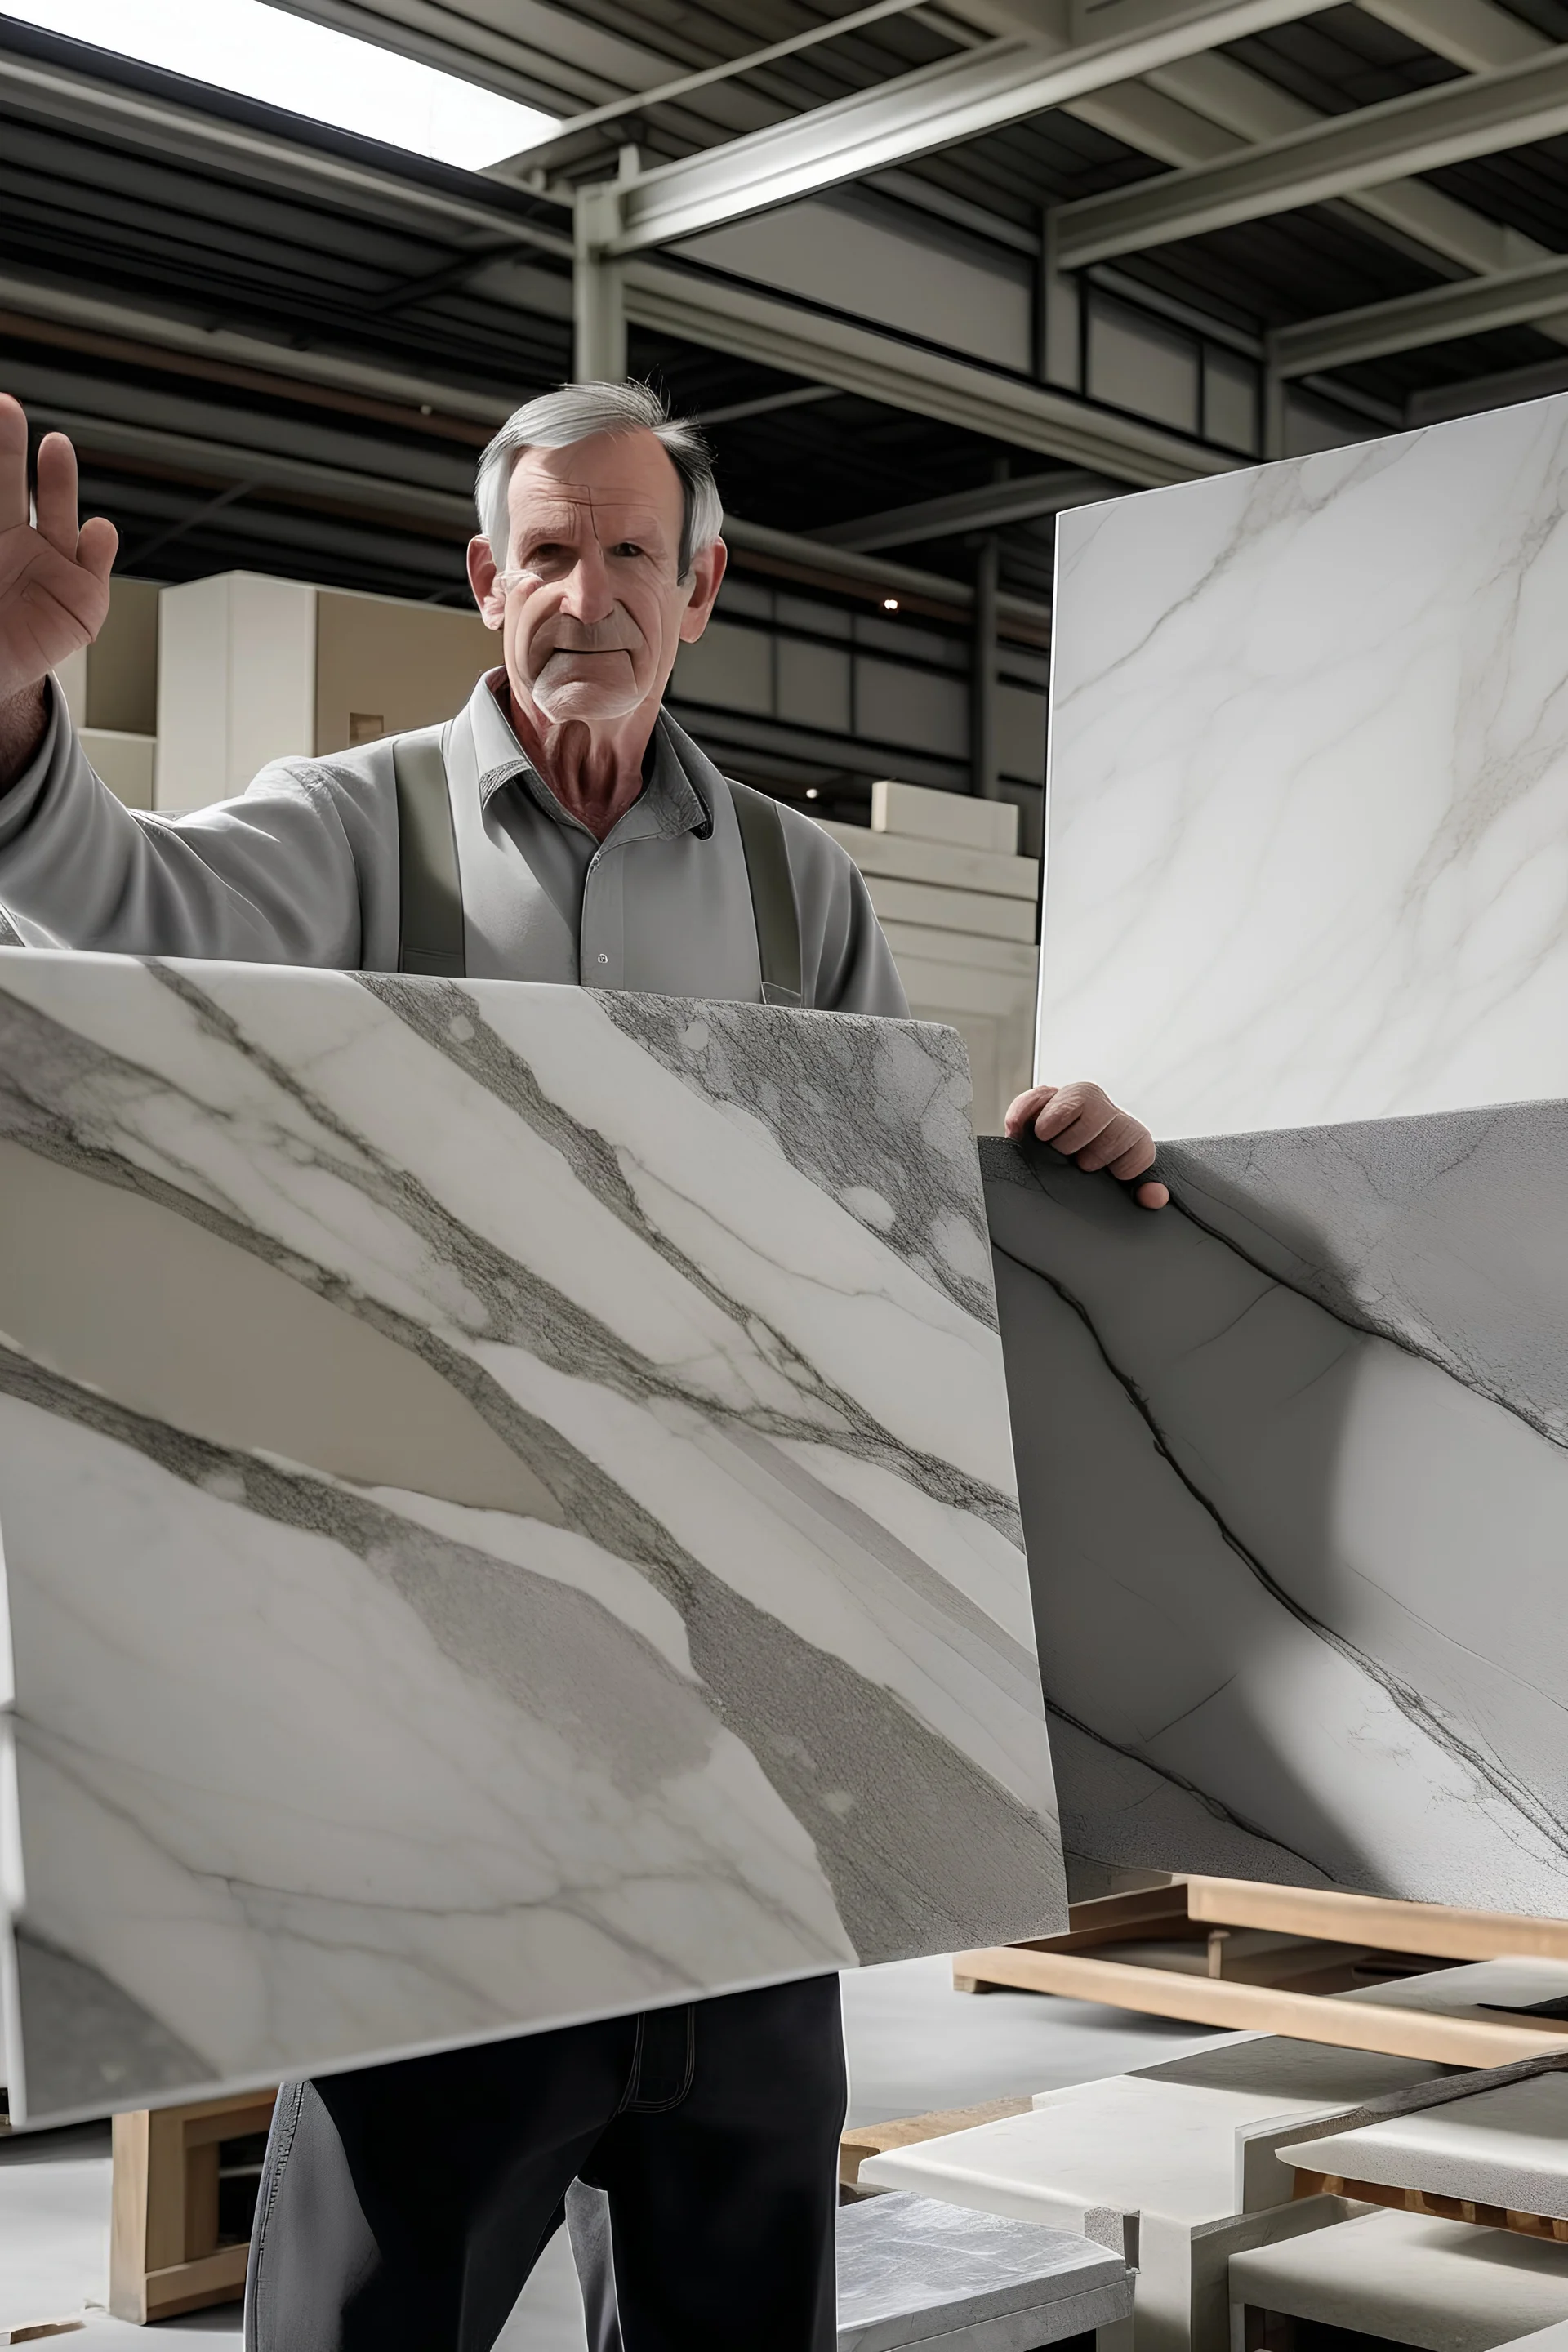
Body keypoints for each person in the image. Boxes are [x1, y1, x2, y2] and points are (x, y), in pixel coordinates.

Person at [0, 377, 1167, 2352]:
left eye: (634, 552)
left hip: (764, 1769)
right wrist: (19, 708)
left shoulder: (806, 889)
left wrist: (1039, 1166)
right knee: (387, 2303)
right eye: (550, 552)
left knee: (734, 2307)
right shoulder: (355, 834)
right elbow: (120, 904)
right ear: (484, 580)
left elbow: (892, 1256)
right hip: (449, 1759)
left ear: (700, 590)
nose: (590, 594)